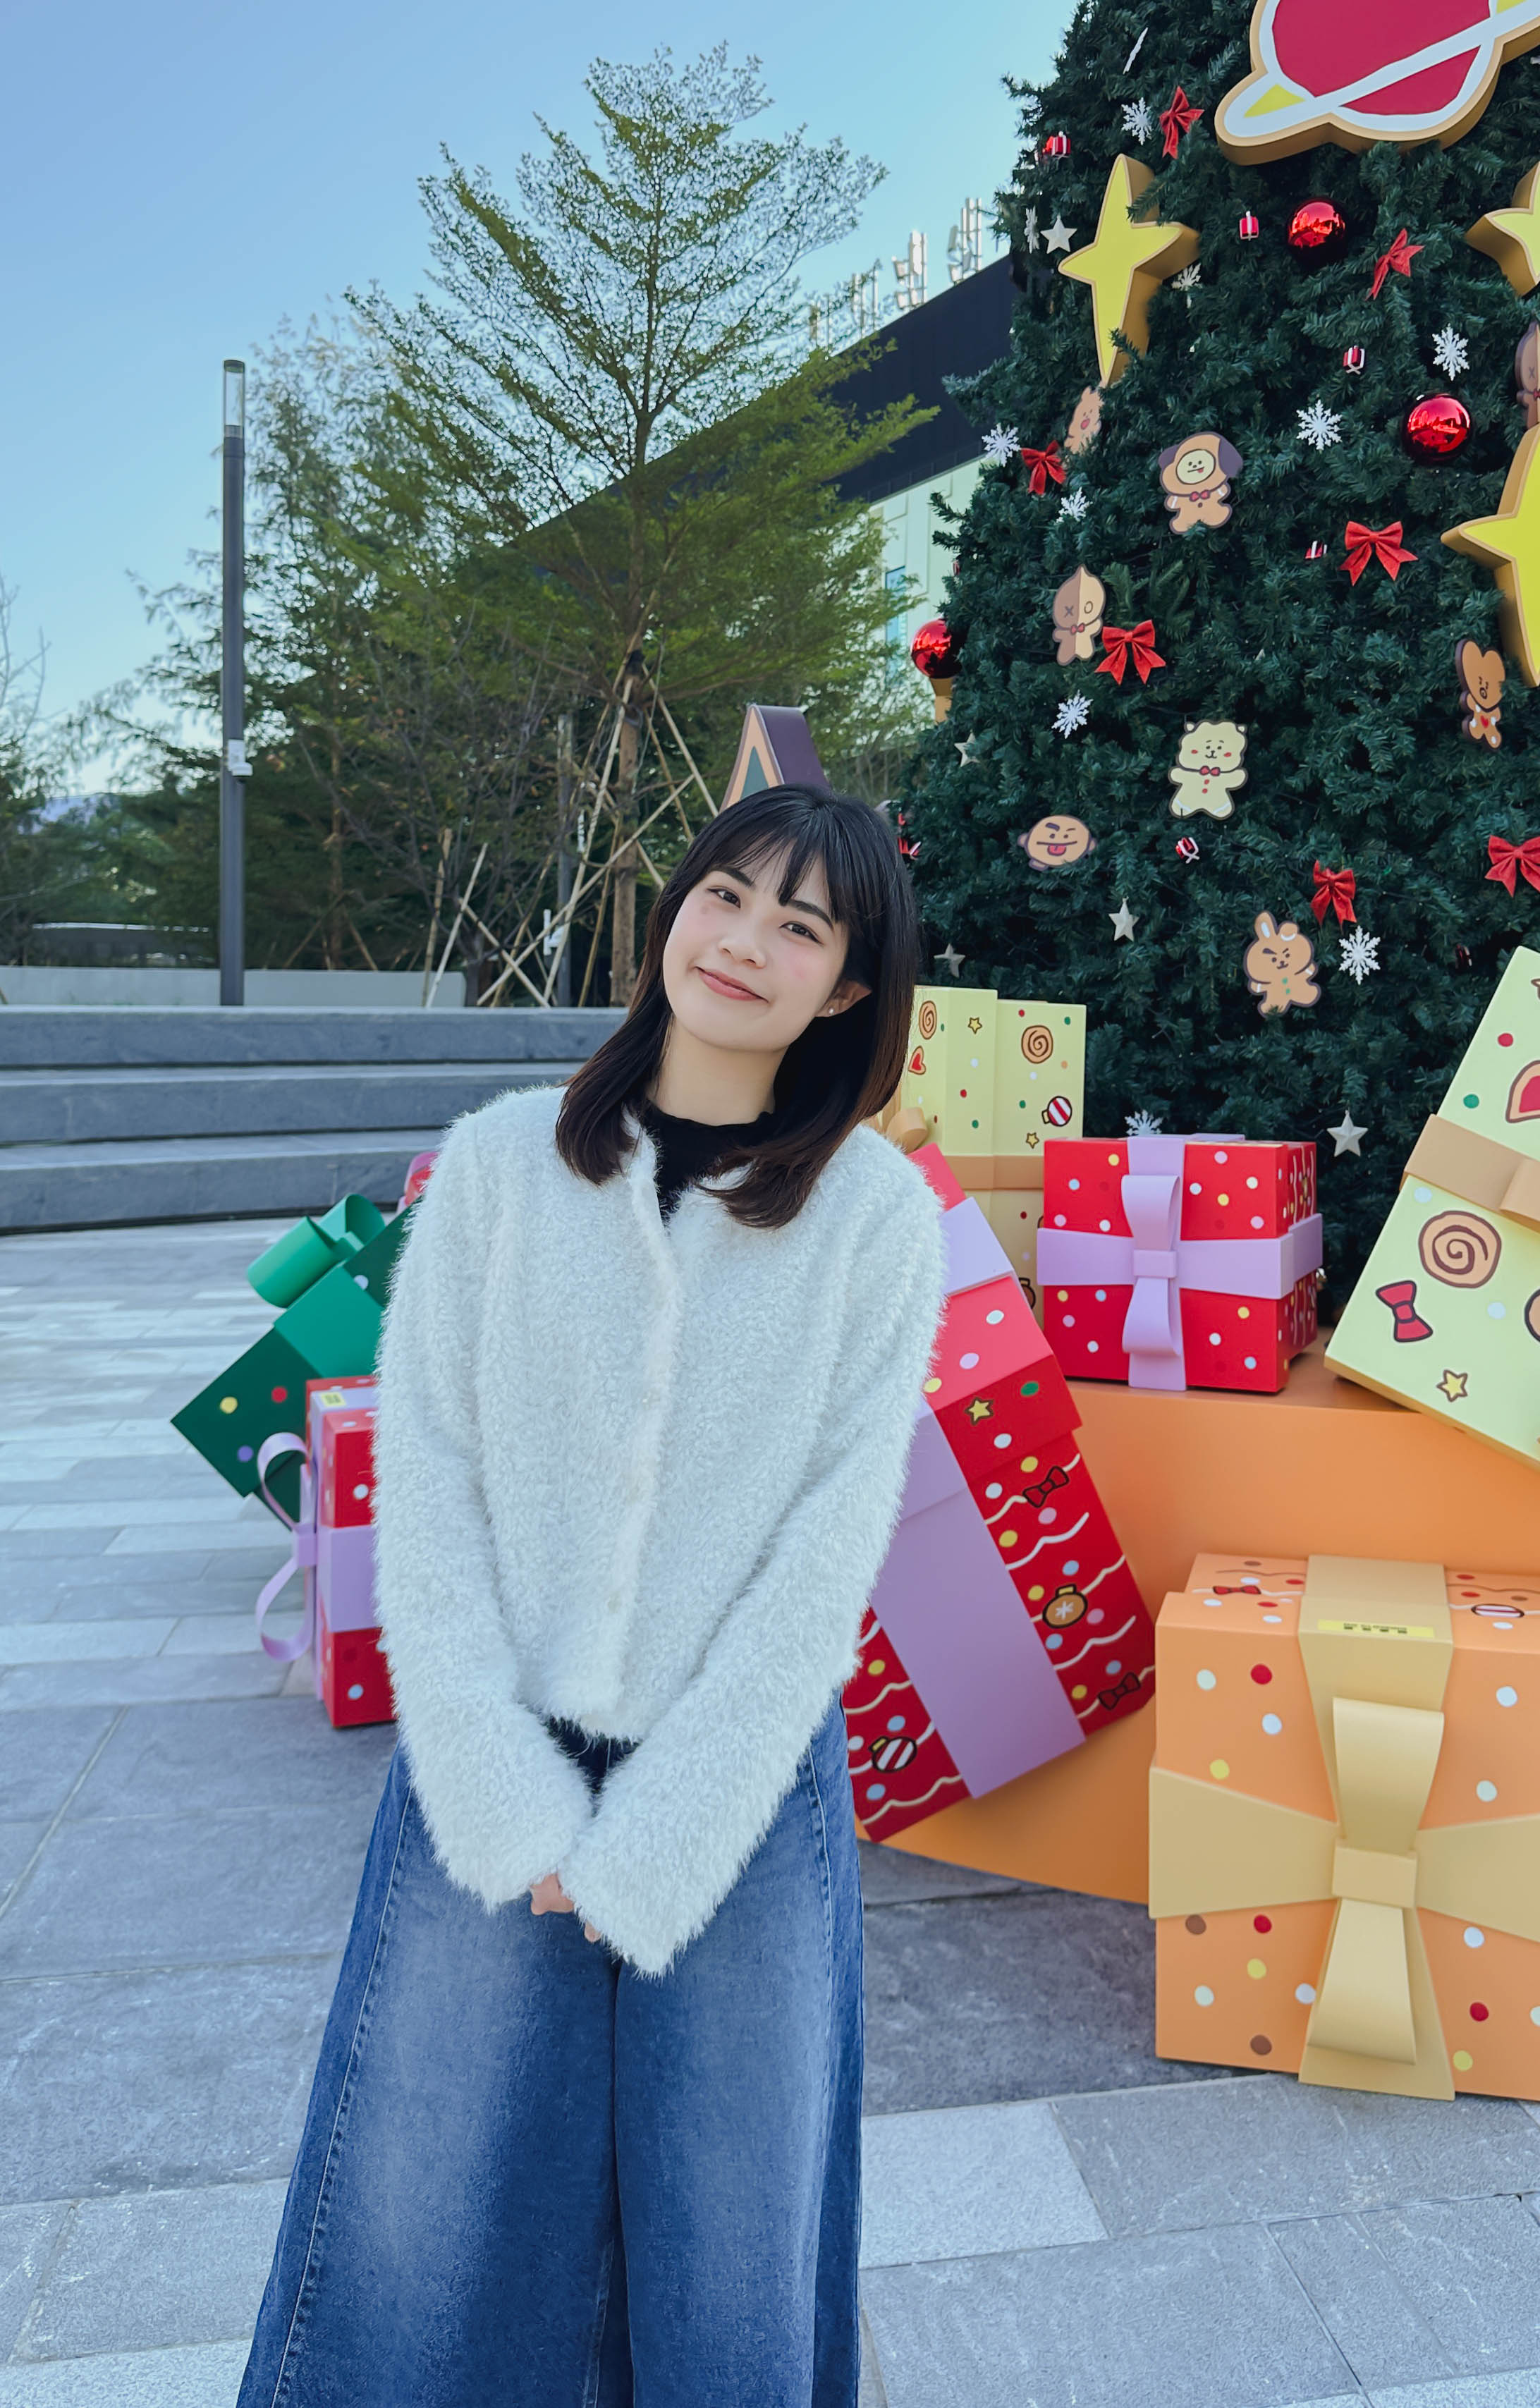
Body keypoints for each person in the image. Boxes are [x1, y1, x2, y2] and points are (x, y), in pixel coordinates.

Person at [239, 784, 945, 2408]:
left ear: (848, 986)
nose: (744, 943)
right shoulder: (500, 1164)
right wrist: (504, 1800)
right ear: (672, 909)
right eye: (725, 896)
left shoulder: (872, 1219)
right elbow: (429, 1483)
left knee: (731, 2239)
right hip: (493, 1751)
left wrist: (663, 1838)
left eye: (799, 926)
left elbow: (827, 1550)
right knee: (426, 2211)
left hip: (741, 1786)